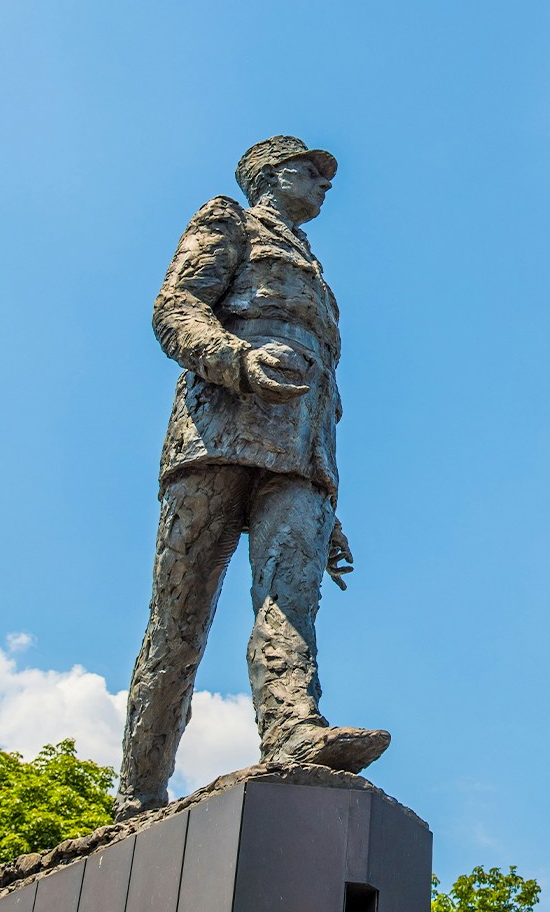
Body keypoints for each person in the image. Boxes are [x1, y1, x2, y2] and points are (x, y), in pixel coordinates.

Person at [115, 136, 389, 821]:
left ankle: (294, 732)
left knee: (290, 601)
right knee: (180, 619)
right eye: (309, 171)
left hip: (300, 458)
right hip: (217, 435)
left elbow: (325, 391)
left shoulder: (318, 276)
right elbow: (175, 308)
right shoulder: (228, 221)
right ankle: (140, 788)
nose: (324, 184)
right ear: (269, 176)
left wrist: (328, 503)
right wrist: (236, 358)